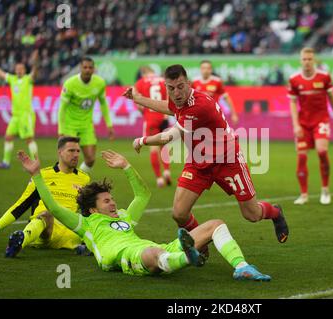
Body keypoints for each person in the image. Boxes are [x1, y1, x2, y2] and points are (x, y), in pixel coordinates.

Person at [17, 149, 272, 281]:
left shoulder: (124, 217)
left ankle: (242, 267)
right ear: (94, 208)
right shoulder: (86, 223)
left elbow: (143, 196)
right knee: (151, 255)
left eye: (112, 199)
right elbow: (52, 206)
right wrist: (36, 175)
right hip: (123, 256)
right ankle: (186, 257)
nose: (113, 203)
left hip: (151, 247)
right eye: (107, 201)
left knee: (215, 224)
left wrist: (127, 167)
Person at [123, 64, 289, 254]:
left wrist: (142, 140)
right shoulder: (178, 102)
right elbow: (167, 107)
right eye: (171, 88)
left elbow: (170, 136)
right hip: (198, 162)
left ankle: (275, 212)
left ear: (189, 84)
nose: (176, 93)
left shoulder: (198, 106)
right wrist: (138, 98)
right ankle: (201, 243)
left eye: (180, 87)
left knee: (251, 214)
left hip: (227, 160)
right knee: (179, 213)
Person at [0, 136, 91, 257]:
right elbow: (21, 205)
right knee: (46, 215)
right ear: (60, 152)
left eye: (78, 151)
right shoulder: (42, 175)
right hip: (43, 231)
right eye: (71, 151)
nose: (76, 155)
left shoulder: (84, 179)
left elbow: (88, 211)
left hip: (68, 234)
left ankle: (83, 246)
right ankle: (19, 243)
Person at [288, 47, 333, 205]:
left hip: (321, 120)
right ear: (301, 60)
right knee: (302, 156)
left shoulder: (324, 77)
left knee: (322, 151)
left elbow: (331, 97)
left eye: (309, 59)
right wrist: (296, 125)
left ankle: (325, 189)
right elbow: (292, 103)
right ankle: (304, 194)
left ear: (314, 60)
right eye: (304, 59)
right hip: (303, 124)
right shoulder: (294, 79)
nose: (307, 62)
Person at [58, 56, 115, 174]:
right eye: (85, 67)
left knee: (90, 159)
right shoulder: (70, 83)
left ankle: (78, 179)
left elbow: (103, 104)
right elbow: (62, 108)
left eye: (90, 67)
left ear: (94, 69)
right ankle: (65, 183)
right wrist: (60, 130)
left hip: (86, 125)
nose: (88, 70)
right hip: (70, 125)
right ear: (80, 68)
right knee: (68, 159)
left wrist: (109, 125)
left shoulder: (99, 83)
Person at [0, 51, 39, 169]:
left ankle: (34, 163)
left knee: (29, 139)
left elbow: (35, 73)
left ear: (24, 70)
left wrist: (35, 63)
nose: (19, 70)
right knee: (8, 137)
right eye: (17, 68)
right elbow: (0, 73)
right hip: (15, 116)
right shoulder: (12, 79)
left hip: (25, 115)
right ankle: (6, 163)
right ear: (15, 70)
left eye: (21, 68)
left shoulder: (28, 79)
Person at [134, 66, 172, 188]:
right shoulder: (162, 80)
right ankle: (167, 171)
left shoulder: (140, 82)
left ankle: (159, 179)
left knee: (153, 149)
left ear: (143, 73)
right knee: (164, 145)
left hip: (150, 119)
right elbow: (169, 95)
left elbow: (137, 101)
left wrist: (142, 112)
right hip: (164, 116)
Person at [192, 60, 239, 125]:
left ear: (211, 70)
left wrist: (234, 114)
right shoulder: (194, 82)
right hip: (199, 115)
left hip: (214, 114)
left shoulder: (217, 81)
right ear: (200, 69)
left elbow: (226, 97)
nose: (206, 70)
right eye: (203, 68)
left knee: (215, 133)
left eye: (208, 68)